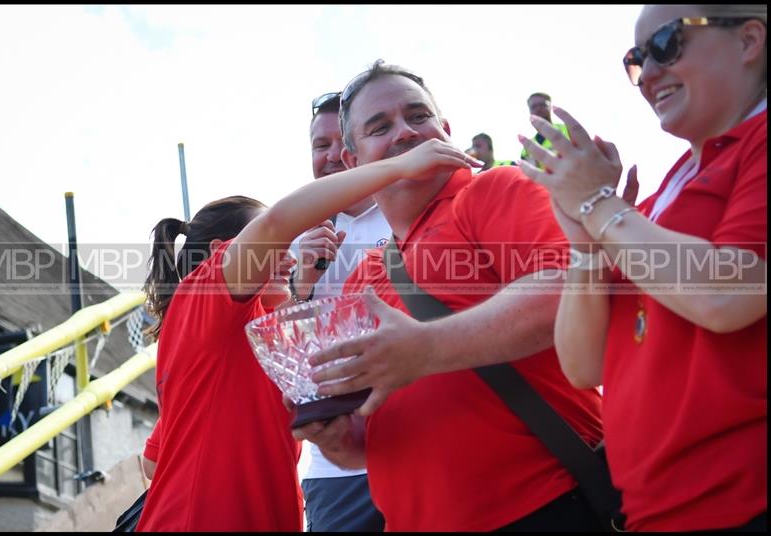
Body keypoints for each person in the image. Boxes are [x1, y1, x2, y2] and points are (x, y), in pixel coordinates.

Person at [294, 60, 605, 532]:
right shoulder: (364, 277)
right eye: (380, 126)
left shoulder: (494, 191)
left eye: (418, 116)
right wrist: (335, 436)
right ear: (353, 164)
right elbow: (367, 437)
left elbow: (567, 292)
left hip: (549, 505)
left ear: (446, 130)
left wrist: (428, 348)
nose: (404, 132)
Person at [135, 135, 479, 531]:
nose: (289, 252)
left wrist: (302, 288)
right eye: (276, 246)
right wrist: (397, 167)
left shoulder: (246, 330)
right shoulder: (203, 294)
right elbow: (279, 221)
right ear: (220, 252)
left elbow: (153, 459)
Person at [518, 4, 766, 531]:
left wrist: (599, 205)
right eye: (635, 59)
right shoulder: (663, 194)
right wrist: (584, 240)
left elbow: (730, 296)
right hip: (657, 509)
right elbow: (585, 364)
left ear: (748, 41)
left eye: (666, 44)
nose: (647, 75)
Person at [290, 91, 388, 532]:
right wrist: (300, 284)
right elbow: (277, 351)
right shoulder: (290, 232)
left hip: (420, 437)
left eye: (339, 142)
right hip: (336, 471)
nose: (331, 157)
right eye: (318, 146)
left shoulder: (405, 209)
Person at [519, 92, 570, 168]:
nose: (538, 109)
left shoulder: (568, 130)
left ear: (550, 107)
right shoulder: (528, 148)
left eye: (542, 105)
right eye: (533, 107)